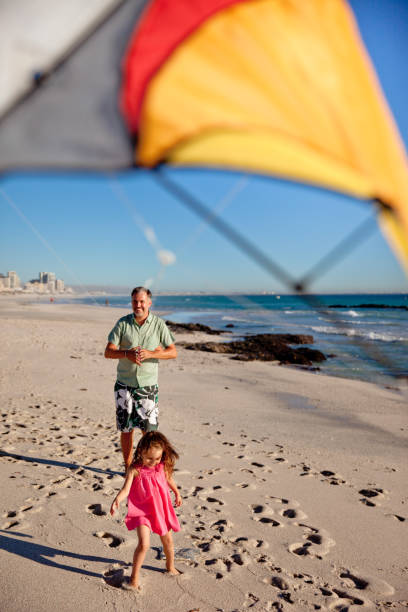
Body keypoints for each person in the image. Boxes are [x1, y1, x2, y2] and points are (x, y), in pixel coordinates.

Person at [105, 287, 177, 470]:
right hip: (124, 385)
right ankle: (129, 467)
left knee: (150, 432)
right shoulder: (122, 324)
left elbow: (173, 352)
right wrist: (127, 353)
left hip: (148, 386)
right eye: (135, 301)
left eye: (142, 301)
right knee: (126, 430)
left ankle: (149, 469)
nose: (138, 305)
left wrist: (152, 353)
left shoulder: (159, 324)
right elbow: (108, 351)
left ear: (149, 303)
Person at [110, 431, 182, 590]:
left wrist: (176, 493)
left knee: (168, 542)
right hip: (142, 513)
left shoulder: (162, 466)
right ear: (140, 451)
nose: (153, 462)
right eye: (149, 458)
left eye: (157, 458)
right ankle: (134, 578)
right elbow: (126, 490)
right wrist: (117, 500)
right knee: (144, 544)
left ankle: (170, 566)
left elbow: (169, 480)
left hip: (161, 511)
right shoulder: (134, 470)